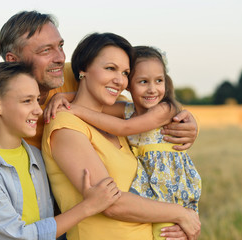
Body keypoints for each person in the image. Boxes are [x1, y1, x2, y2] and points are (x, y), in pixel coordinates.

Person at [0, 10, 199, 238]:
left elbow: (130, 106)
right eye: (46, 50)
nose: (60, 57)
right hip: (58, 226)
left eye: (60, 46)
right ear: (13, 60)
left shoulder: (68, 78)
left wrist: (182, 119)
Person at [41, 32, 201, 240]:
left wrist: (181, 227)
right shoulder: (66, 125)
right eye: (110, 68)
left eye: (125, 73)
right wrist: (182, 214)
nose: (119, 81)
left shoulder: (124, 124)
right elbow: (111, 203)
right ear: (83, 70)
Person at [0, 61, 121, 239]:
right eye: (27, 101)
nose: (38, 110)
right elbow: (19, 236)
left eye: (37, 100)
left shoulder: (37, 156)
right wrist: (88, 207)